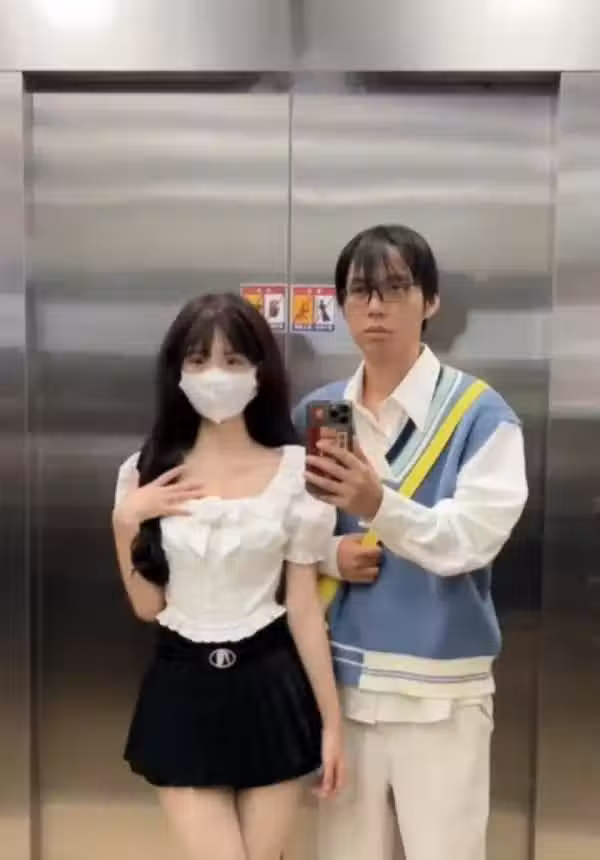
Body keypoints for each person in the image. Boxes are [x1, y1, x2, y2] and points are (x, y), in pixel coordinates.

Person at [293, 224, 528, 860]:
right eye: (361, 291)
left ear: (431, 301)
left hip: (439, 695)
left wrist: (378, 505)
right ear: (341, 304)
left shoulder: (481, 415)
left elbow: (472, 539)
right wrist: (330, 556)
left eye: (396, 288)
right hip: (340, 691)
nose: (376, 307)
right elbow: (286, 540)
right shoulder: (322, 413)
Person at [111, 292, 344, 860]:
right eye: (199, 360)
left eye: (233, 360)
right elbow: (148, 607)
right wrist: (124, 522)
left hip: (271, 685)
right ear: (178, 372)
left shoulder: (296, 473)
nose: (216, 374)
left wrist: (333, 724)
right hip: (181, 686)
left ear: (260, 372)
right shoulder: (145, 474)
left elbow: (303, 608)